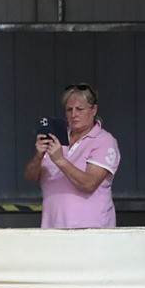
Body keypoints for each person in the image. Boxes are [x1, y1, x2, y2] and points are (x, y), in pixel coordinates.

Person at [24, 83, 121, 228]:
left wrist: (60, 160)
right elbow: (30, 177)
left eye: (79, 109)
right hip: (53, 227)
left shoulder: (104, 140)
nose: (74, 114)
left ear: (94, 110)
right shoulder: (56, 137)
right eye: (69, 109)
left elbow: (89, 184)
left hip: (92, 230)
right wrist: (38, 156)